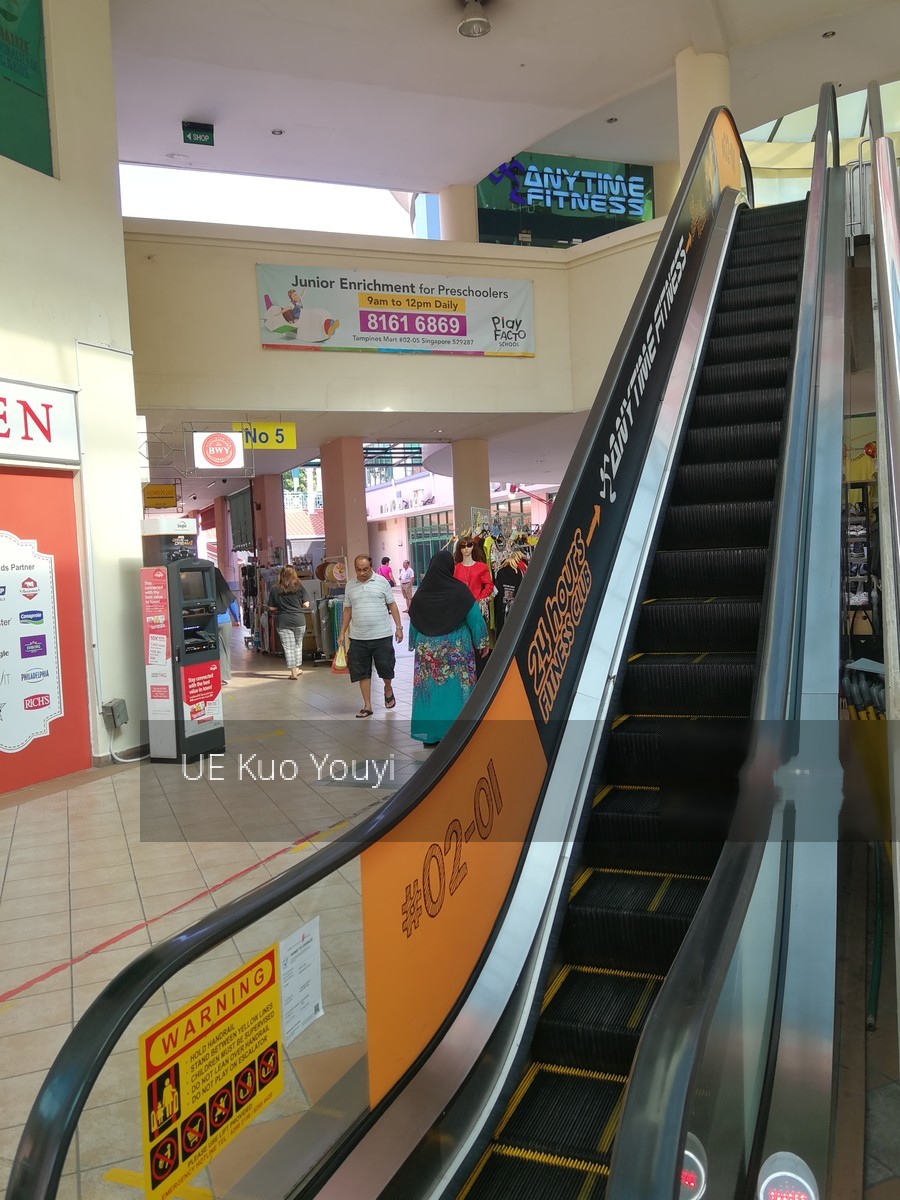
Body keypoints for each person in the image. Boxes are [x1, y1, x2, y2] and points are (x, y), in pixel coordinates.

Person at [408, 551, 489, 747]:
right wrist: (482, 642)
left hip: (427, 650)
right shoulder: (460, 591)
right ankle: (457, 734)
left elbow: (414, 622)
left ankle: (431, 735)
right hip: (456, 649)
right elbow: (475, 619)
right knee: (456, 691)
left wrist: (414, 642)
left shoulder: (421, 594)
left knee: (430, 692)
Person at [338, 554, 404, 717]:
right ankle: (367, 705)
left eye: (365, 569)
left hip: (382, 635)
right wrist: (342, 633)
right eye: (358, 570)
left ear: (371, 567)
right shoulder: (350, 585)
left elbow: (392, 605)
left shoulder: (382, 582)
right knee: (362, 672)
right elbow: (347, 610)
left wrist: (399, 627)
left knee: (386, 668)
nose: (362, 573)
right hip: (358, 637)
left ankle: (387, 688)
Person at [267, 565, 310, 680]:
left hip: (283, 621)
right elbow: (306, 604)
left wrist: (280, 606)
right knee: (298, 645)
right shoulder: (299, 587)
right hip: (299, 620)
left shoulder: (275, 589)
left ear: (281, 575)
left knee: (288, 647)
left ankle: (293, 672)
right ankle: (297, 668)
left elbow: (271, 608)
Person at [213, 568, 241, 685]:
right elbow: (232, 602)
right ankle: (222, 677)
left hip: (210, 623)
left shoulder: (204, 589)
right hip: (224, 622)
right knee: (224, 650)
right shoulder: (224, 589)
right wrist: (237, 619)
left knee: (212, 650)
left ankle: (212, 676)